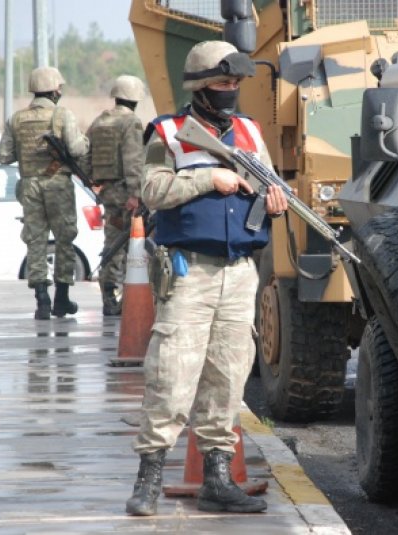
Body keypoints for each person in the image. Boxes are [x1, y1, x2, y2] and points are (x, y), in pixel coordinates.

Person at [126, 40, 288, 516]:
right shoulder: (169, 132)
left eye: (235, 83)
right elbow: (152, 189)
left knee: (229, 374)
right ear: (199, 86)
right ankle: (148, 480)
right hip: (188, 271)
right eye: (222, 83)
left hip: (240, 273)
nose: (230, 91)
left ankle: (217, 479)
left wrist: (274, 196)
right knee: (171, 373)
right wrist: (208, 179)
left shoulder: (250, 132)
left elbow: (267, 182)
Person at [0, 66, 89, 320]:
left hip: (29, 186)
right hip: (58, 184)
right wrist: (85, 141)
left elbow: (3, 155)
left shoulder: (16, 119)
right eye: (59, 87)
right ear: (54, 90)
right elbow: (77, 148)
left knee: (35, 241)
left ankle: (42, 301)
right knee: (64, 239)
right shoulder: (62, 115)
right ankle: (61, 299)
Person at [86, 75, 146, 316]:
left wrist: (94, 181)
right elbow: (133, 160)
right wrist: (136, 194)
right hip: (125, 192)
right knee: (127, 246)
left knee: (112, 243)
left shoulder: (100, 121)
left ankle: (109, 295)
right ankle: (117, 297)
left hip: (108, 192)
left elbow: (86, 155)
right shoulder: (130, 122)